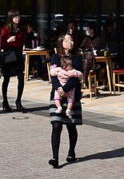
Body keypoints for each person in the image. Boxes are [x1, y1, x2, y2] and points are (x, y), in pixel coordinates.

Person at [48, 33, 83, 168]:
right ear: (61, 43)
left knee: (71, 125)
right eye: (68, 40)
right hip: (57, 96)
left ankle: (71, 151)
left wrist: (65, 89)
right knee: (56, 126)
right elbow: (54, 76)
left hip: (72, 95)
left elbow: (76, 77)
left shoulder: (78, 57)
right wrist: (59, 89)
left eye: (72, 40)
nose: (71, 42)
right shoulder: (56, 57)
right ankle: (55, 158)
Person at [0, 9, 27, 113]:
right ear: (11, 18)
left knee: (21, 77)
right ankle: (5, 101)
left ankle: (18, 101)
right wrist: (8, 41)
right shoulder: (5, 29)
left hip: (18, 54)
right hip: (9, 54)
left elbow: (22, 41)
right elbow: (2, 44)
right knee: (6, 78)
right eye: (15, 17)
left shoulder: (22, 29)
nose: (17, 19)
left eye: (18, 16)